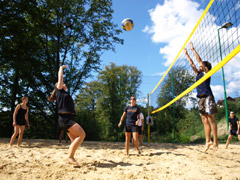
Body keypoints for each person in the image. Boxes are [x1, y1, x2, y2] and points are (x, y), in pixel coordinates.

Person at [184, 42, 218, 152]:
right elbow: (192, 64)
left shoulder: (207, 73)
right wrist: (186, 54)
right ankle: (208, 141)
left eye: (201, 66)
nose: (199, 67)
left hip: (208, 96)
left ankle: (216, 141)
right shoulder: (198, 74)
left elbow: (199, 61)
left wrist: (193, 50)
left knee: (210, 117)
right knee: (204, 119)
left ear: (205, 67)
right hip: (200, 99)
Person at [48, 65, 85, 165]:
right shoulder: (59, 91)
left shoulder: (64, 93)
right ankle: (70, 157)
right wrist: (61, 67)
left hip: (68, 118)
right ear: (58, 86)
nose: (64, 84)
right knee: (82, 134)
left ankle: (71, 158)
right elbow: (60, 77)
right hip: (65, 119)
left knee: (74, 140)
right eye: (62, 83)